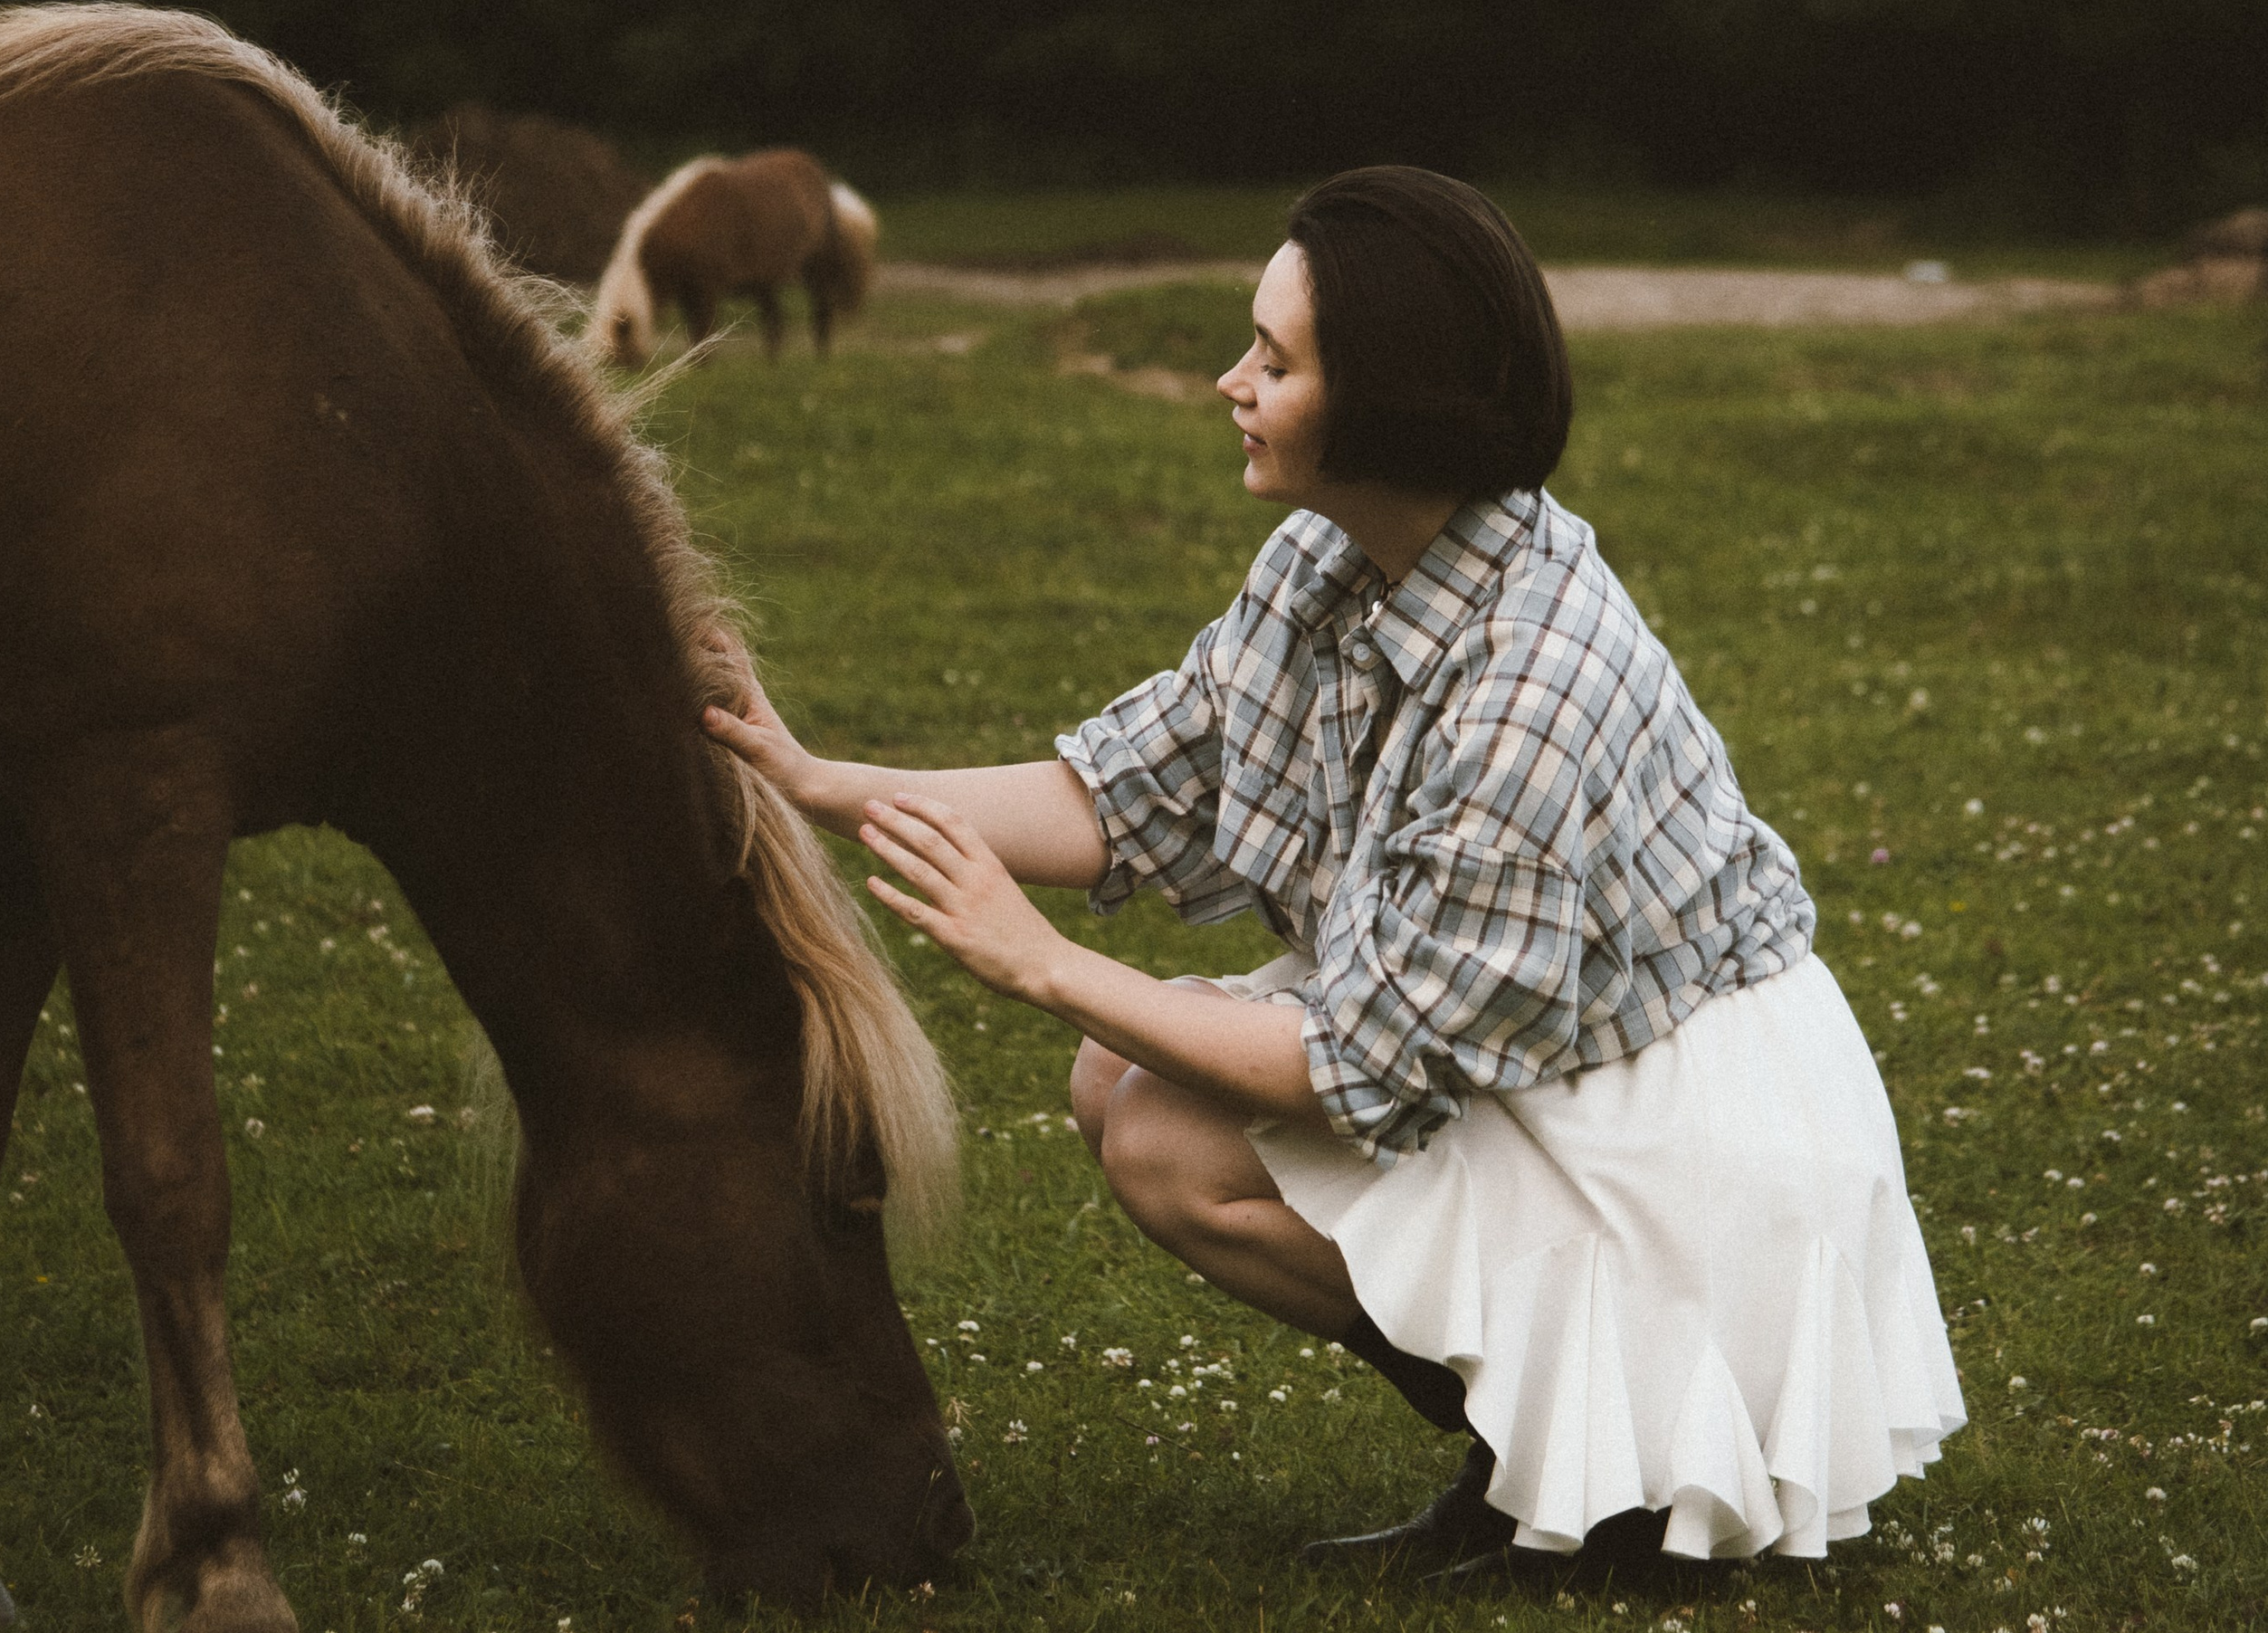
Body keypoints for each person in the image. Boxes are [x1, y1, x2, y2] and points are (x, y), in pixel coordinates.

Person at [704, 166, 1964, 1571]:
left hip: (1681, 1126)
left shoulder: (1533, 690)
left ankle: (1611, 1472)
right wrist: (816, 779)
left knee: (1165, 1134)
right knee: (1121, 1078)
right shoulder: (1335, 555)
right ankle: (1540, 1450)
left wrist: (1047, 965)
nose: (1230, 382)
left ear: (1387, 402)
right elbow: (1132, 789)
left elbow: (1352, 1063)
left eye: (1275, 360)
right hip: (1546, 1039)